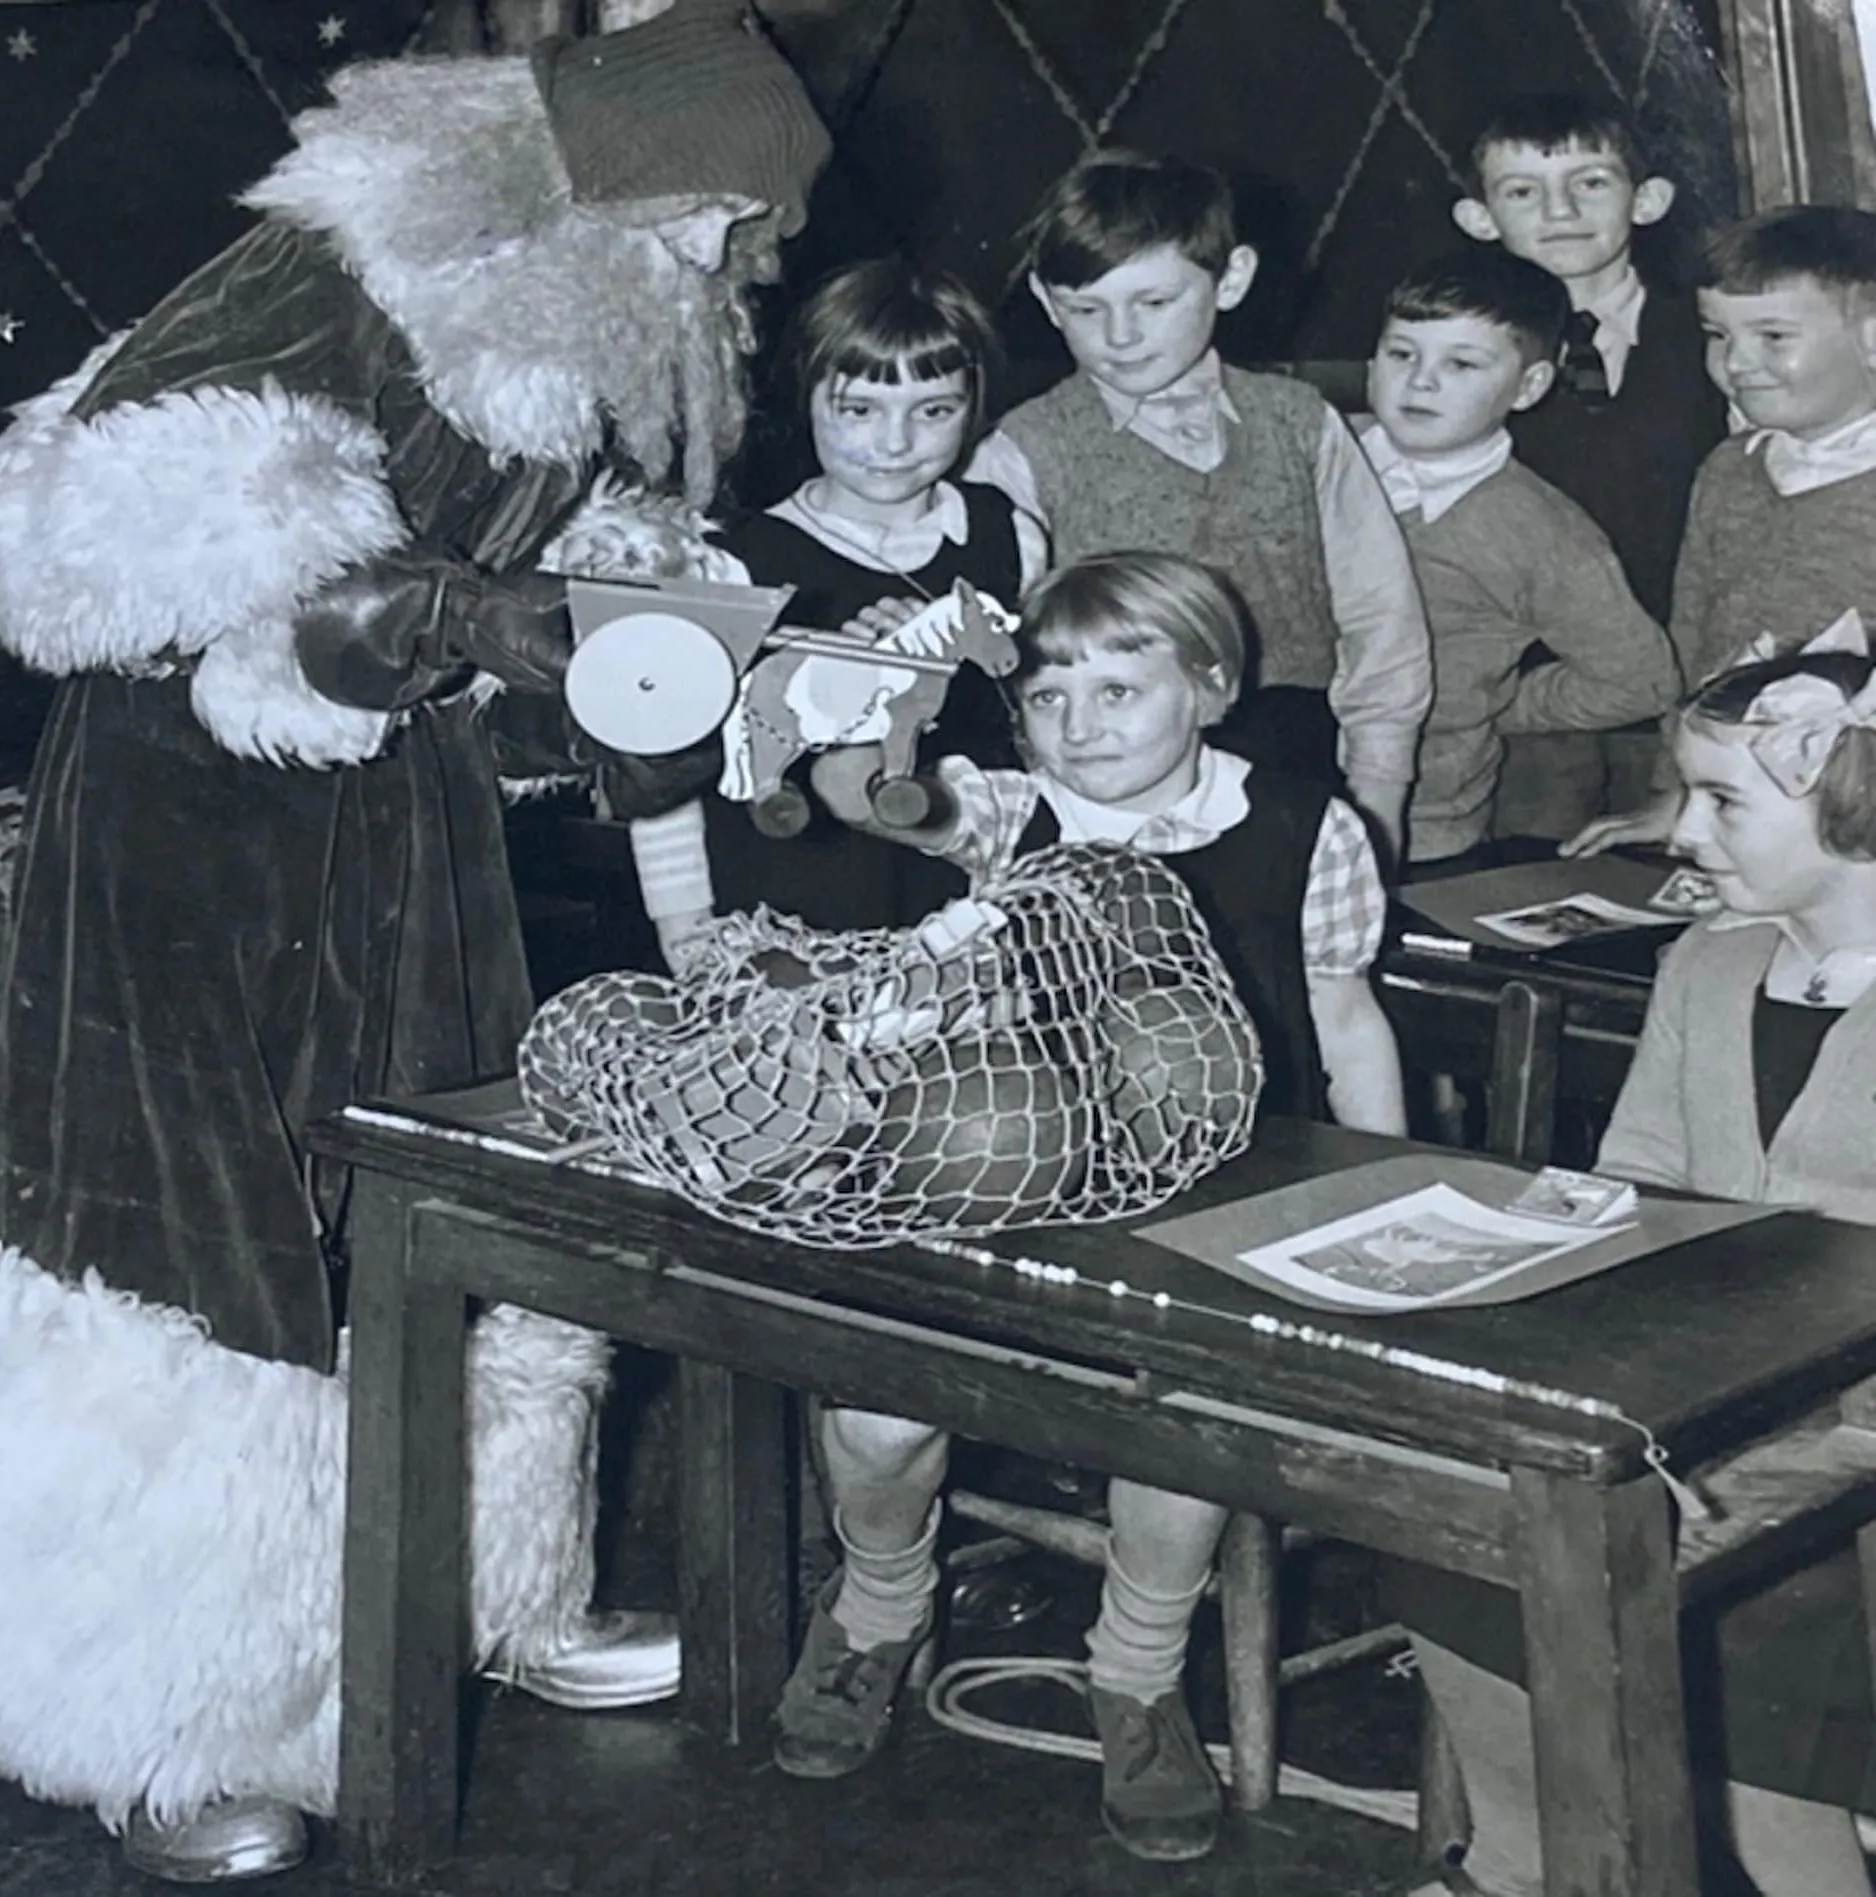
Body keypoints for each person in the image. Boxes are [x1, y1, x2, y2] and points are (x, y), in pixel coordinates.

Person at [0, 7, 831, 1884]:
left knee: (437, 1185)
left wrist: (628, 640)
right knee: (188, 1225)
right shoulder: (329, 270)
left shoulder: (580, 323)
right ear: (575, 179)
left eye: (732, 240)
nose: (705, 266)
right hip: (183, 841)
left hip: (400, 833)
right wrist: (463, 606)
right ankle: (151, 1713)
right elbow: (73, 540)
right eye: (689, 220)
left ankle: (467, 1605)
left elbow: (517, 613)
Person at [789, 552, 1405, 1864]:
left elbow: (1348, 1021)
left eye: (1122, 689)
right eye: (1051, 696)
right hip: (1013, 1180)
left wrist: (1378, 1199)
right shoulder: (1014, 809)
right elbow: (877, 797)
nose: (1082, 725)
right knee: (879, 1410)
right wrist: (881, 686)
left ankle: (1134, 1672)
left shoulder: (1309, 824)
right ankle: (881, 1599)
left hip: (1218, 1196)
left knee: (1173, 1438)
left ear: (1211, 691)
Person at [1397, 629, 1876, 1897]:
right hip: (1705, 1398)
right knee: (1459, 1511)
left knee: (1753, 1581)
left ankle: (1797, 1860)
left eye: (1721, 799)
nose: (1681, 831)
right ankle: (1521, 1860)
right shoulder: (1706, 964)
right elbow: (1633, 1202)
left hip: (1854, 1438)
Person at [968, 151, 1431, 859]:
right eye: (1086, 310)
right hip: (1110, 800)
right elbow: (1005, 656)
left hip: (1293, 771)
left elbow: (1381, 618)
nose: (1120, 336)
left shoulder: (1300, 422)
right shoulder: (1022, 451)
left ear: (1232, 279)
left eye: (1155, 303)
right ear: (1043, 298)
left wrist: (1376, 795)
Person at [628, 258, 1047, 968]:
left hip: (962, 907)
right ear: (806, 394)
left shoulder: (1010, 534)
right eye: (859, 410)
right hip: (785, 912)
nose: (894, 443)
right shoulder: (732, 561)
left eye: (934, 411)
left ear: (974, 407)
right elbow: (664, 766)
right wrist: (685, 926)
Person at [1452, 91, 1725, 835]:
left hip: (1688, 691)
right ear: (1479, 217)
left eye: (1591, 182)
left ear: (1649, 199)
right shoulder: (1459, 359)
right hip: (1532, 710)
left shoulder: (1712, 338)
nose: (1560, 209)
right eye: (1522, 192)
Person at [1569, 204, 1876, 859]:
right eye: (1717, 335)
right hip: (1739, 813)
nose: (1737, 363)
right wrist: (1678, 793)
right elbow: (1693, 641)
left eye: (1773, 337)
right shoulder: (1728, 470)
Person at [1357, 248, 1677, 864]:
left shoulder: (1543, 534)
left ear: (1529, 386)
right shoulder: (1314, 456)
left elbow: (1639, 681)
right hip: (1263, 792)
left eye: (1462, 363)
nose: (1421, 381)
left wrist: (1496, 701)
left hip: (1422, 828)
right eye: (1402, 354)